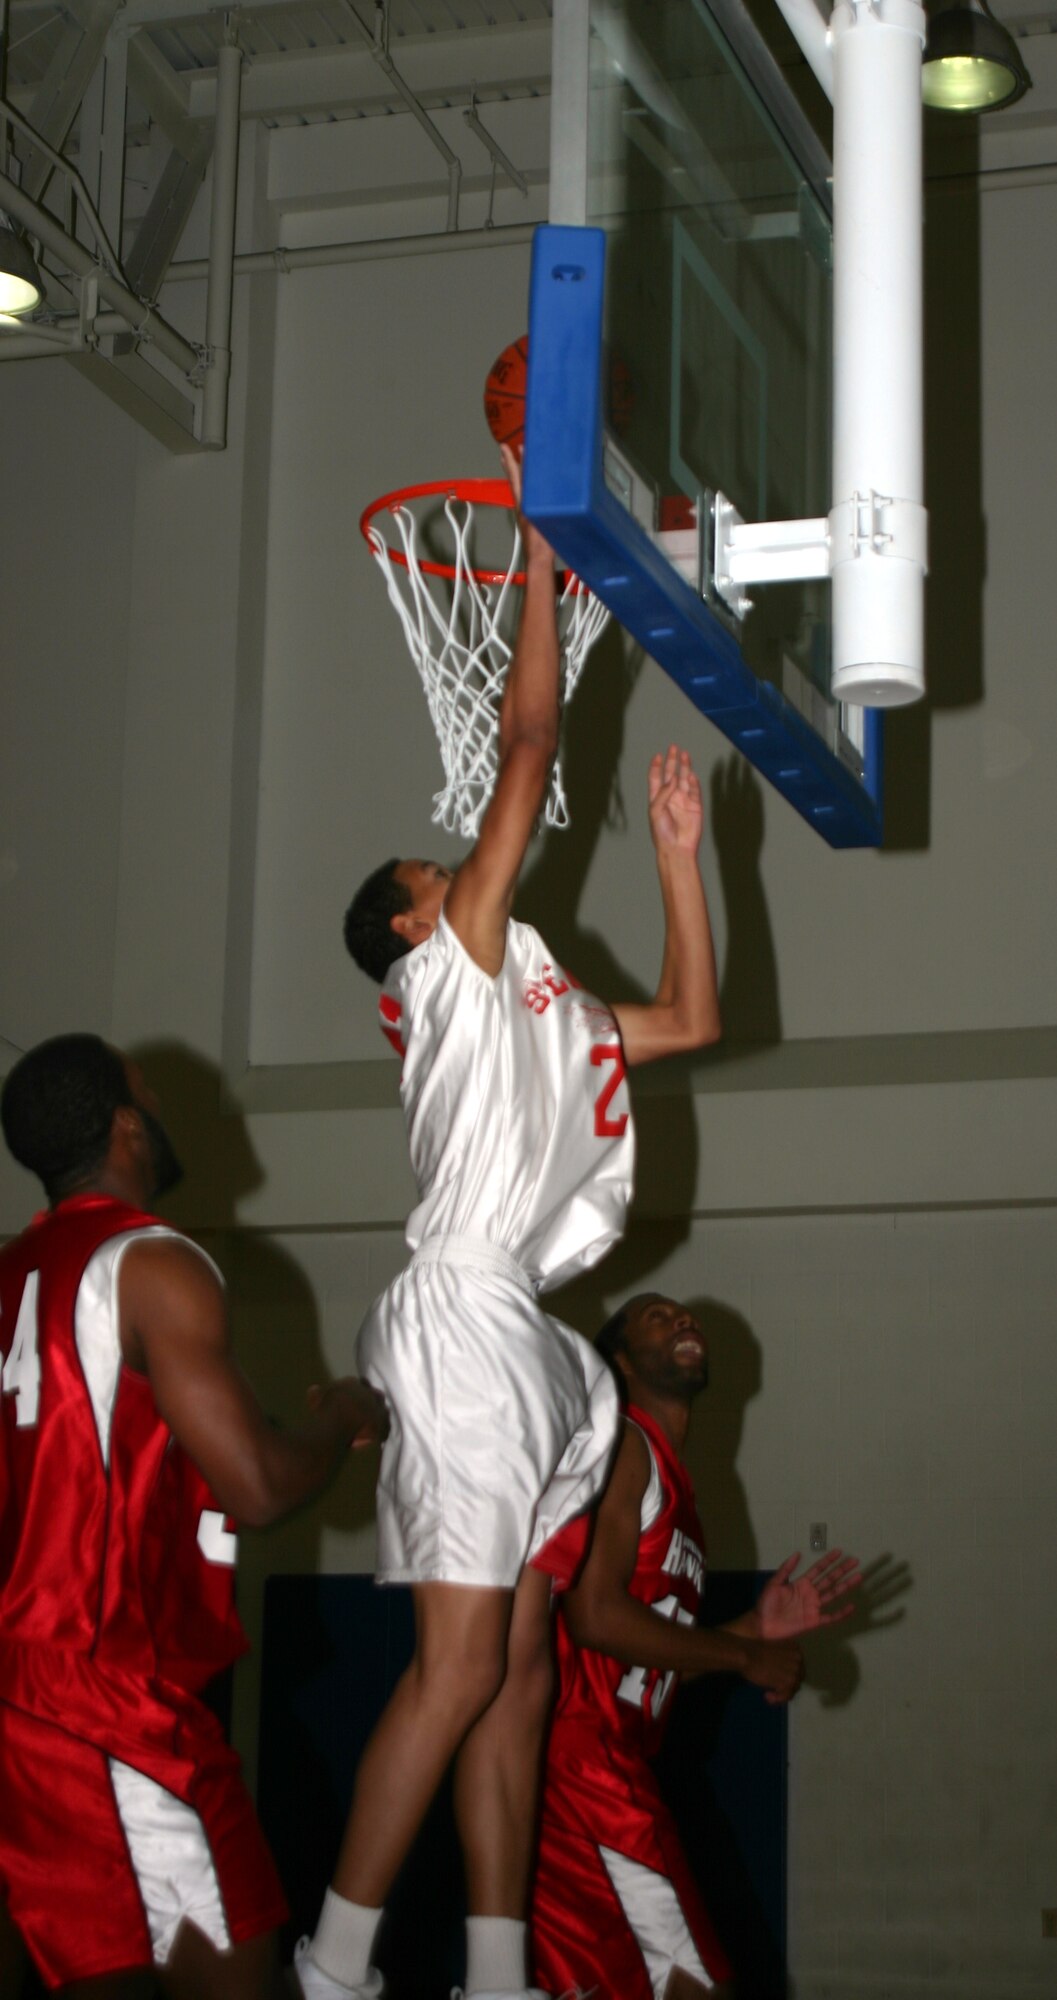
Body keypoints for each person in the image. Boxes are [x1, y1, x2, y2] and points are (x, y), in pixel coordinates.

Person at [297, 455, 723, 2000]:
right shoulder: (449, 971)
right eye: (434, 870)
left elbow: (688, 1014)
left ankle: (494, 1974)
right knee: (463, 1663)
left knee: (525, 1679)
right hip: (464, 1318)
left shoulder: (530, 997)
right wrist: (546, 557)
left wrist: (683, 862)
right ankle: (331, 1968)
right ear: (415, 924)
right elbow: (529, 743)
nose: (452, 862)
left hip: (537, 1351)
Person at [0, 1033, 389, 1999]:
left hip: (25, 1681)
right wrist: (342, 1416)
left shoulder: (11, 1276)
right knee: (236, 1960)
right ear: (129, 1124)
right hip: (106, 1689)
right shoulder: (152, 1262)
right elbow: (257, 1487)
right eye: (150, 1093)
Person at [531, 1293, 861, 2000]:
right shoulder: (623, 1444)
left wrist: (752, 1629)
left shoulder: (681, 1492)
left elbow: (650, 1646)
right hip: (583, 1760)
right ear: (619, 1359)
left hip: (600, 1760)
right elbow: (590, 1614)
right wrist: (741, 1656)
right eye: (656, 1314)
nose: (683, 1320)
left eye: (687, 1315)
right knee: (697, 1983)